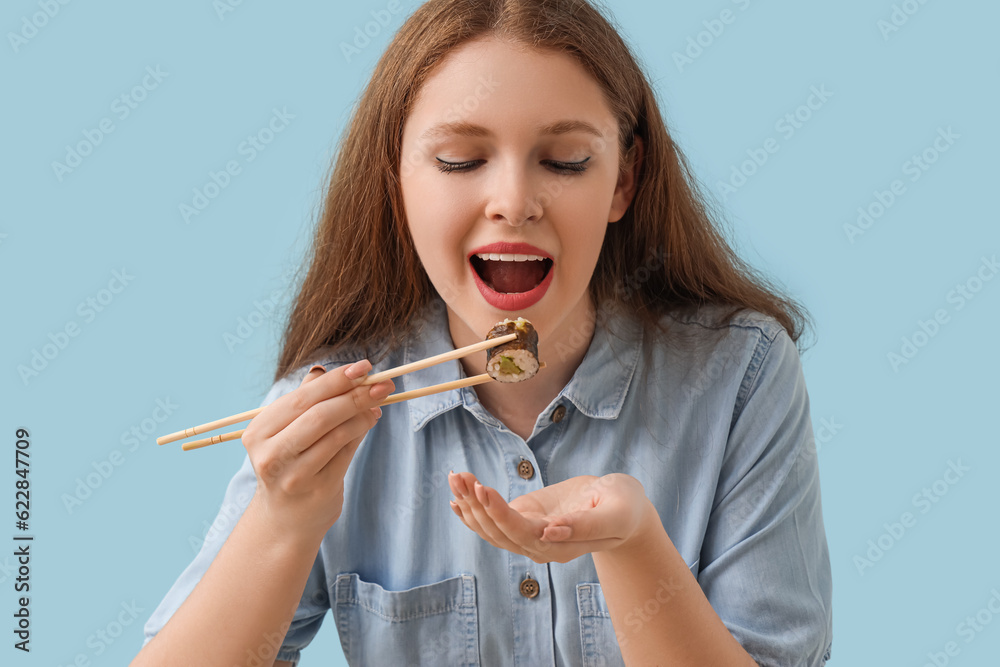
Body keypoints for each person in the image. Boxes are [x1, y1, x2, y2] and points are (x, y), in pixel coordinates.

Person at [134, 0, 833, 665]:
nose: (513, 203)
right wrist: (283, 522)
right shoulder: (332, 404)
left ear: (625, 180)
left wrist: (634, 544)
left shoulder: (740, 372)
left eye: (564, 161)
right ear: (397, 184)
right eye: (460, 162)